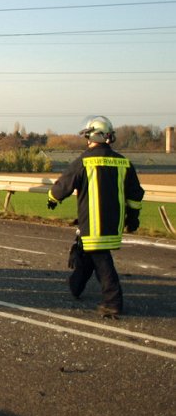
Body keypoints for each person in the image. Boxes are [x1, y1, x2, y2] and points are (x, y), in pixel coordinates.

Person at [47, 116, 144, 318]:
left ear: (92, 135)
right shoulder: (123, 162)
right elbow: (135, 194)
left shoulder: (84, 161)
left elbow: (64, 184)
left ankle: (112, 302)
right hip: (114, 222)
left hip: (92, 221)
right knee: (88, 252)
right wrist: (133, 217)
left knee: (101, 260)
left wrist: (52, 198)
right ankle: (75, 286)